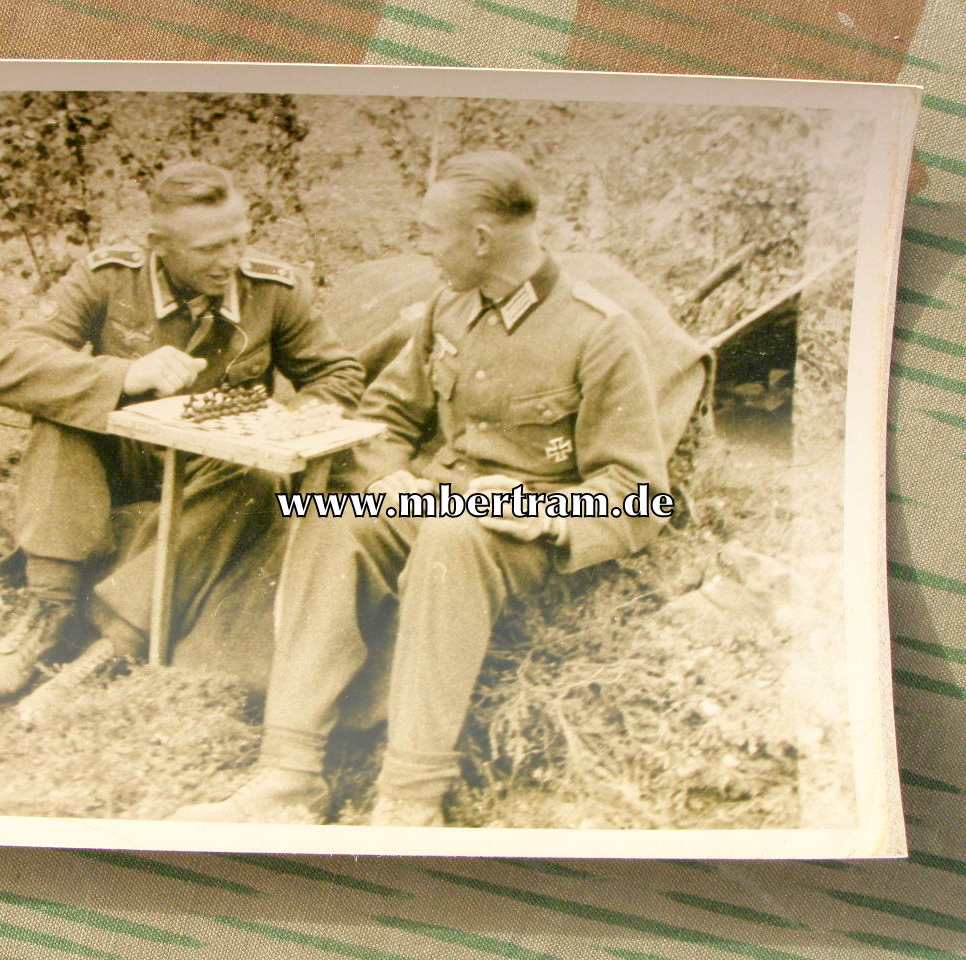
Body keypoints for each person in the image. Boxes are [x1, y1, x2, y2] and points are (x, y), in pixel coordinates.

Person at [172, 150, 678, 827]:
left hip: (522, 529)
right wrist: (390, 478)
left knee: (450, 536)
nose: (423, 247)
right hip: (438, 501)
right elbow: (384, 416)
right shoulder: (451, 307)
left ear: (479, 239)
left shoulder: (598, 330)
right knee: (333, 515)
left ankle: (410, 799)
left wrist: (546, 515)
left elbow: (638, 490)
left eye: (432, 232)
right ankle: (288, 778)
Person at [0, 161, 365, 706]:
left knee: (258, 474)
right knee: (62, 417)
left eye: (239, 242)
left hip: (214, 478)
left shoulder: (273, 289)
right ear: (159, 244)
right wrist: (125, 375)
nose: (229, 262)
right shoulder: (109, 277)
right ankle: (48, 613)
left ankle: (114, 645)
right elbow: (3, 362)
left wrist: (295, 419)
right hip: (126, 467)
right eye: (208, 250)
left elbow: (338, 374)